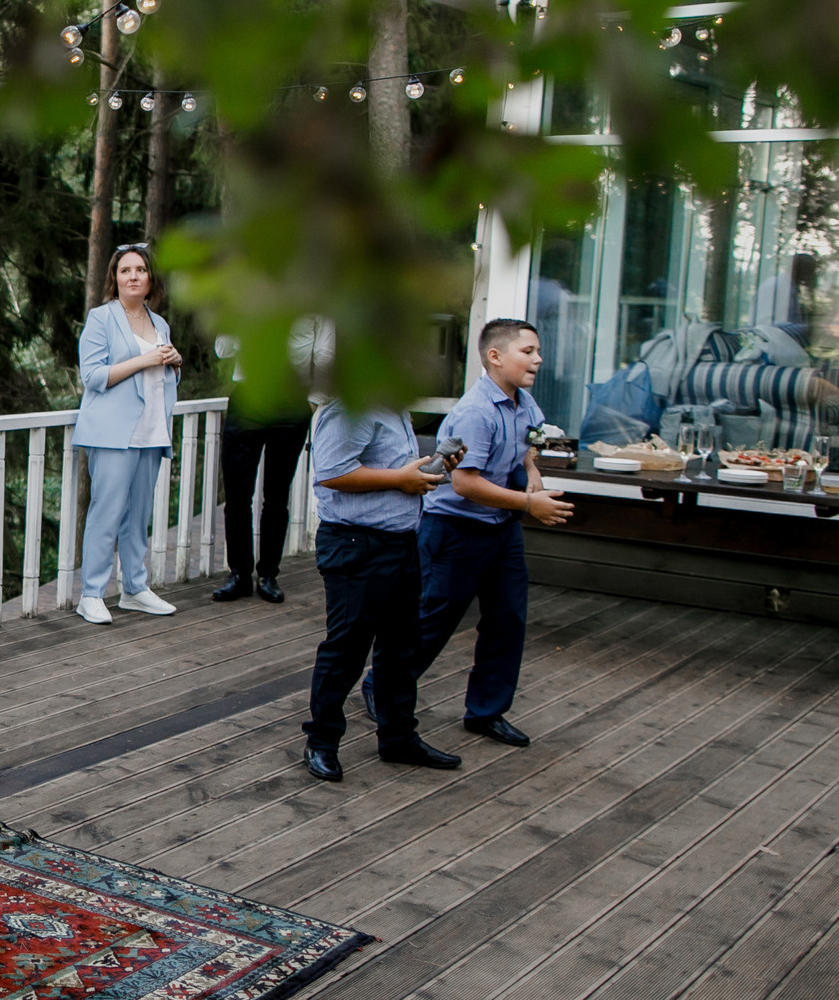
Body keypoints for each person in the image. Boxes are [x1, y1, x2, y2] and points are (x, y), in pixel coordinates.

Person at [414, 318, 574, 749]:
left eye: (538, 351)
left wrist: (531, 468)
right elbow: (465, 483)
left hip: (501, 528)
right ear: (495, 356)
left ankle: (486, 711)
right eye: (528, 351)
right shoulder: (476, 411)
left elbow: (528, 444)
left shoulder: (524, 402)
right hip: (455, 529)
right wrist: (528, 503)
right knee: (434, 620)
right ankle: (384, 685)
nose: (538, 359)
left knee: (507, 619)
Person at [303, 403, 461, 780]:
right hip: (357, 543)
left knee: (402, 647)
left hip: (401, 541)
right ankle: (322, 742)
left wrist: (433, 469)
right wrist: (400, 479)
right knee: (347, 648)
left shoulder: (397, 409)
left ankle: (398, 738)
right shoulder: (351, 407)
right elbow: (332, 472)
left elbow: (393, 468)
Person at [73, 244, 182, 624]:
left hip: (152, 431)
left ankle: (135, 589)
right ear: (115, 279)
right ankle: (91, 595)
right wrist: (144, 359)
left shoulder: (159, 323)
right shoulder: (101, 318)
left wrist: (174, 363)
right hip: (112, 434)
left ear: (151, 279)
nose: (133, 276)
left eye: (140, 270)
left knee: (138, 517)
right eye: (125, 270)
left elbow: (161, 377)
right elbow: (92, 376)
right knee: (106, 514)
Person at [212, 339, 313, 605]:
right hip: (248, 397)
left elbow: (324, 353)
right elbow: (222, 349)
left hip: (292, 401)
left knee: (277, 496)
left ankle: (268, 574)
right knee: (237, 494)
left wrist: (314, 401)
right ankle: (239, 575)